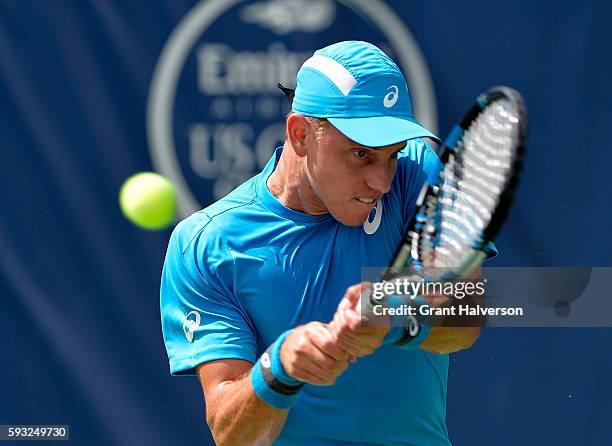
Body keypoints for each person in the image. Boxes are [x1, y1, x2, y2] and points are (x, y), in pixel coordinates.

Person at [161, 41, 480, 445]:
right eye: (361, 154)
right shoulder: (205, 244)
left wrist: (393, 315)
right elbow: (231, 433)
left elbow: (467, 312)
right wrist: (278, 369)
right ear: (300, 135)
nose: (382, 181)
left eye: (392, 154)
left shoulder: (416, 172)